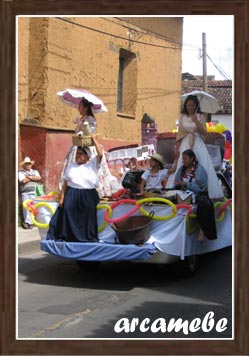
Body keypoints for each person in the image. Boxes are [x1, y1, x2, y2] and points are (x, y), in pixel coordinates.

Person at [166, 95, 224, 200]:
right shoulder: (182, 117)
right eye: (188, 105)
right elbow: (180, 134)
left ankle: (204, 191)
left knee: (202, 165)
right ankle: (176, 191)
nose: (190, 107)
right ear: (186, 106)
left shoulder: (201, 117)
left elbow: (203, 132)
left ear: (196, 105)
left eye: (193, 105)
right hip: (185, 143)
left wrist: (196, 121)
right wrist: (176, 148)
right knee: (182, 164)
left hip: (198, 143)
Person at [47, 135, 103, 243]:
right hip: (72, 193)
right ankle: (70, 237)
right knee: (68, 210)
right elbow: (66, 183)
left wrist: (94, 139)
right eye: (77, 154)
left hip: (88, 194)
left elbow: (100, 154)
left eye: (81, 154)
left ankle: (87, 238)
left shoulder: (92, 164)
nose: (78, 156)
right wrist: (62, 197)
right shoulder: (71, 166)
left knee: (88, 214)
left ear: (87, 156)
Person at [174, 149, 217, 241]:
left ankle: (203, 231)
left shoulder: (200, 170)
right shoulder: (181, 170)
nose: (183, 161)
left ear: (192, 159)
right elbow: (177, 181)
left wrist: (186, 184)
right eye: (182, 158)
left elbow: (201, 188)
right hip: (184, 195)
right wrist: (178, 184)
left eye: (185, 158)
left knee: (204, 205)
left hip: (198, 194)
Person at [18, 157, 41, 229]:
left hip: (34, 191)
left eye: (29, 164)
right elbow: (23, 181)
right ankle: (27, 222)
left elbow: (39, 178)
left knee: (33, 207)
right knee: (26, 207)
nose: (29, 165)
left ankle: (30, 222)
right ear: (24, 165)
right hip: (25, 192)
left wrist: (28, 177)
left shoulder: (35, 171)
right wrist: (33, 178)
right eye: (27, 164)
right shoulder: (21, 173)